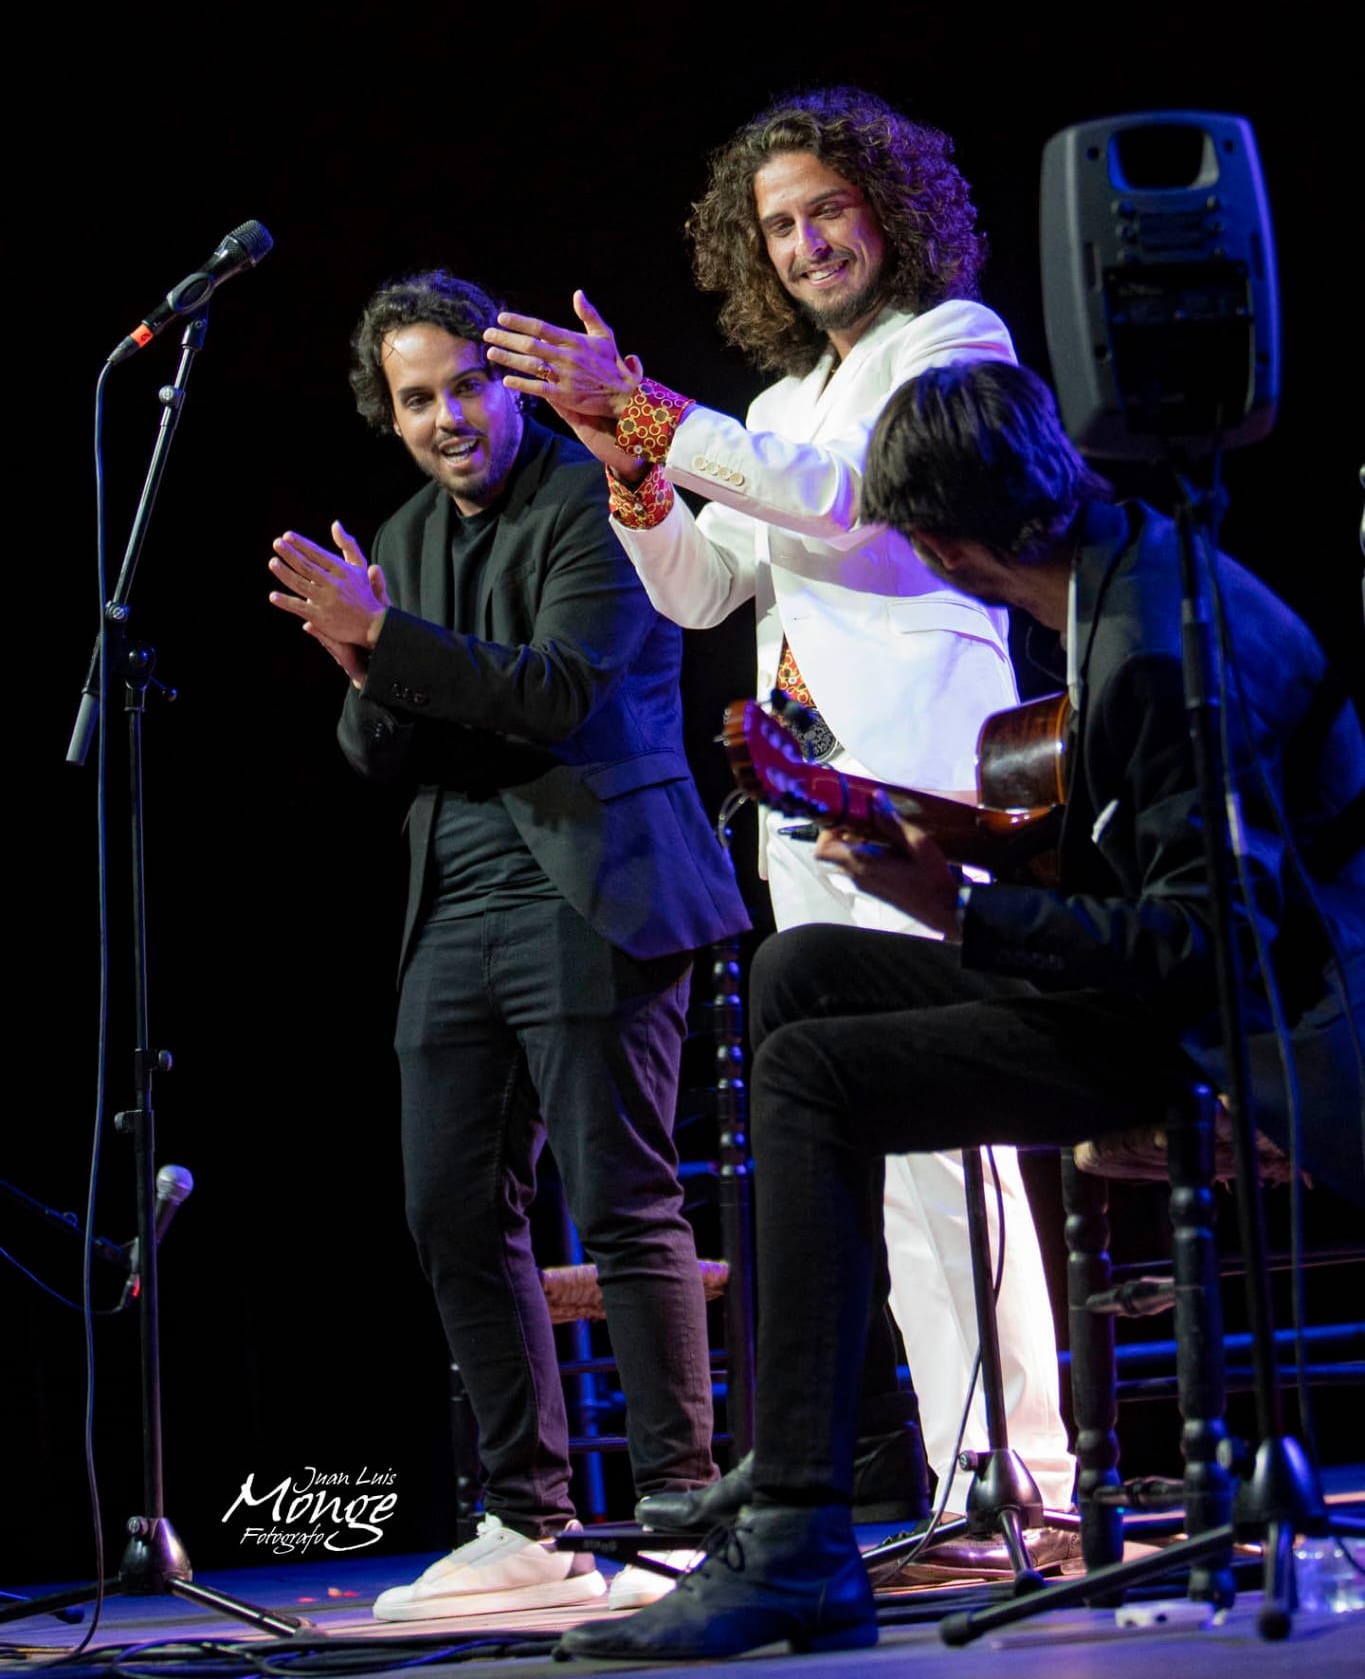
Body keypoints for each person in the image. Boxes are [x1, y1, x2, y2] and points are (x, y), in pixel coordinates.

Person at [555, 358, 1365, 1659]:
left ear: (943, 542)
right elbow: (1128, 852)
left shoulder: (1152, 644)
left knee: (815, 1074)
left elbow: (1204, 944)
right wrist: (931, 839)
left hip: (1245, 1033)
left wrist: (960, 909)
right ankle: (794, 1465)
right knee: (799, 972)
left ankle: (799, 1533)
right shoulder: (1117, 573)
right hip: (1173, 991)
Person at [482, 88, 1075, 1548]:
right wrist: (632, 469)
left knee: (957, 1139)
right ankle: (960, 1480)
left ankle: (1030, 1477)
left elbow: (851, 502)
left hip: (929, 778)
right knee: (881, 1159)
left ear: (889, 210)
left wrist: (645, 410)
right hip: (805, 795)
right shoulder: (771, 407)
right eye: (779, 227)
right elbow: (704, 593)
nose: (806, 244)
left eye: (827, 211)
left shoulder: (952, 342)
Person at [267, 269, 749, 1621]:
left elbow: (562, 694)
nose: (450, 418)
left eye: (469, 385)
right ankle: (530, 1521)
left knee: (625, 1201)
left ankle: (677, 1511)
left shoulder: (589, 499)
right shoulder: (403, 536)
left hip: (598, 885)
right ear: (393, 416)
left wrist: (389, 641)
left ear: (506, 384)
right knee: (448, 1208)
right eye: (418, 400)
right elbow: (376, 752)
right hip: (456, 901)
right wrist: (365, 664)